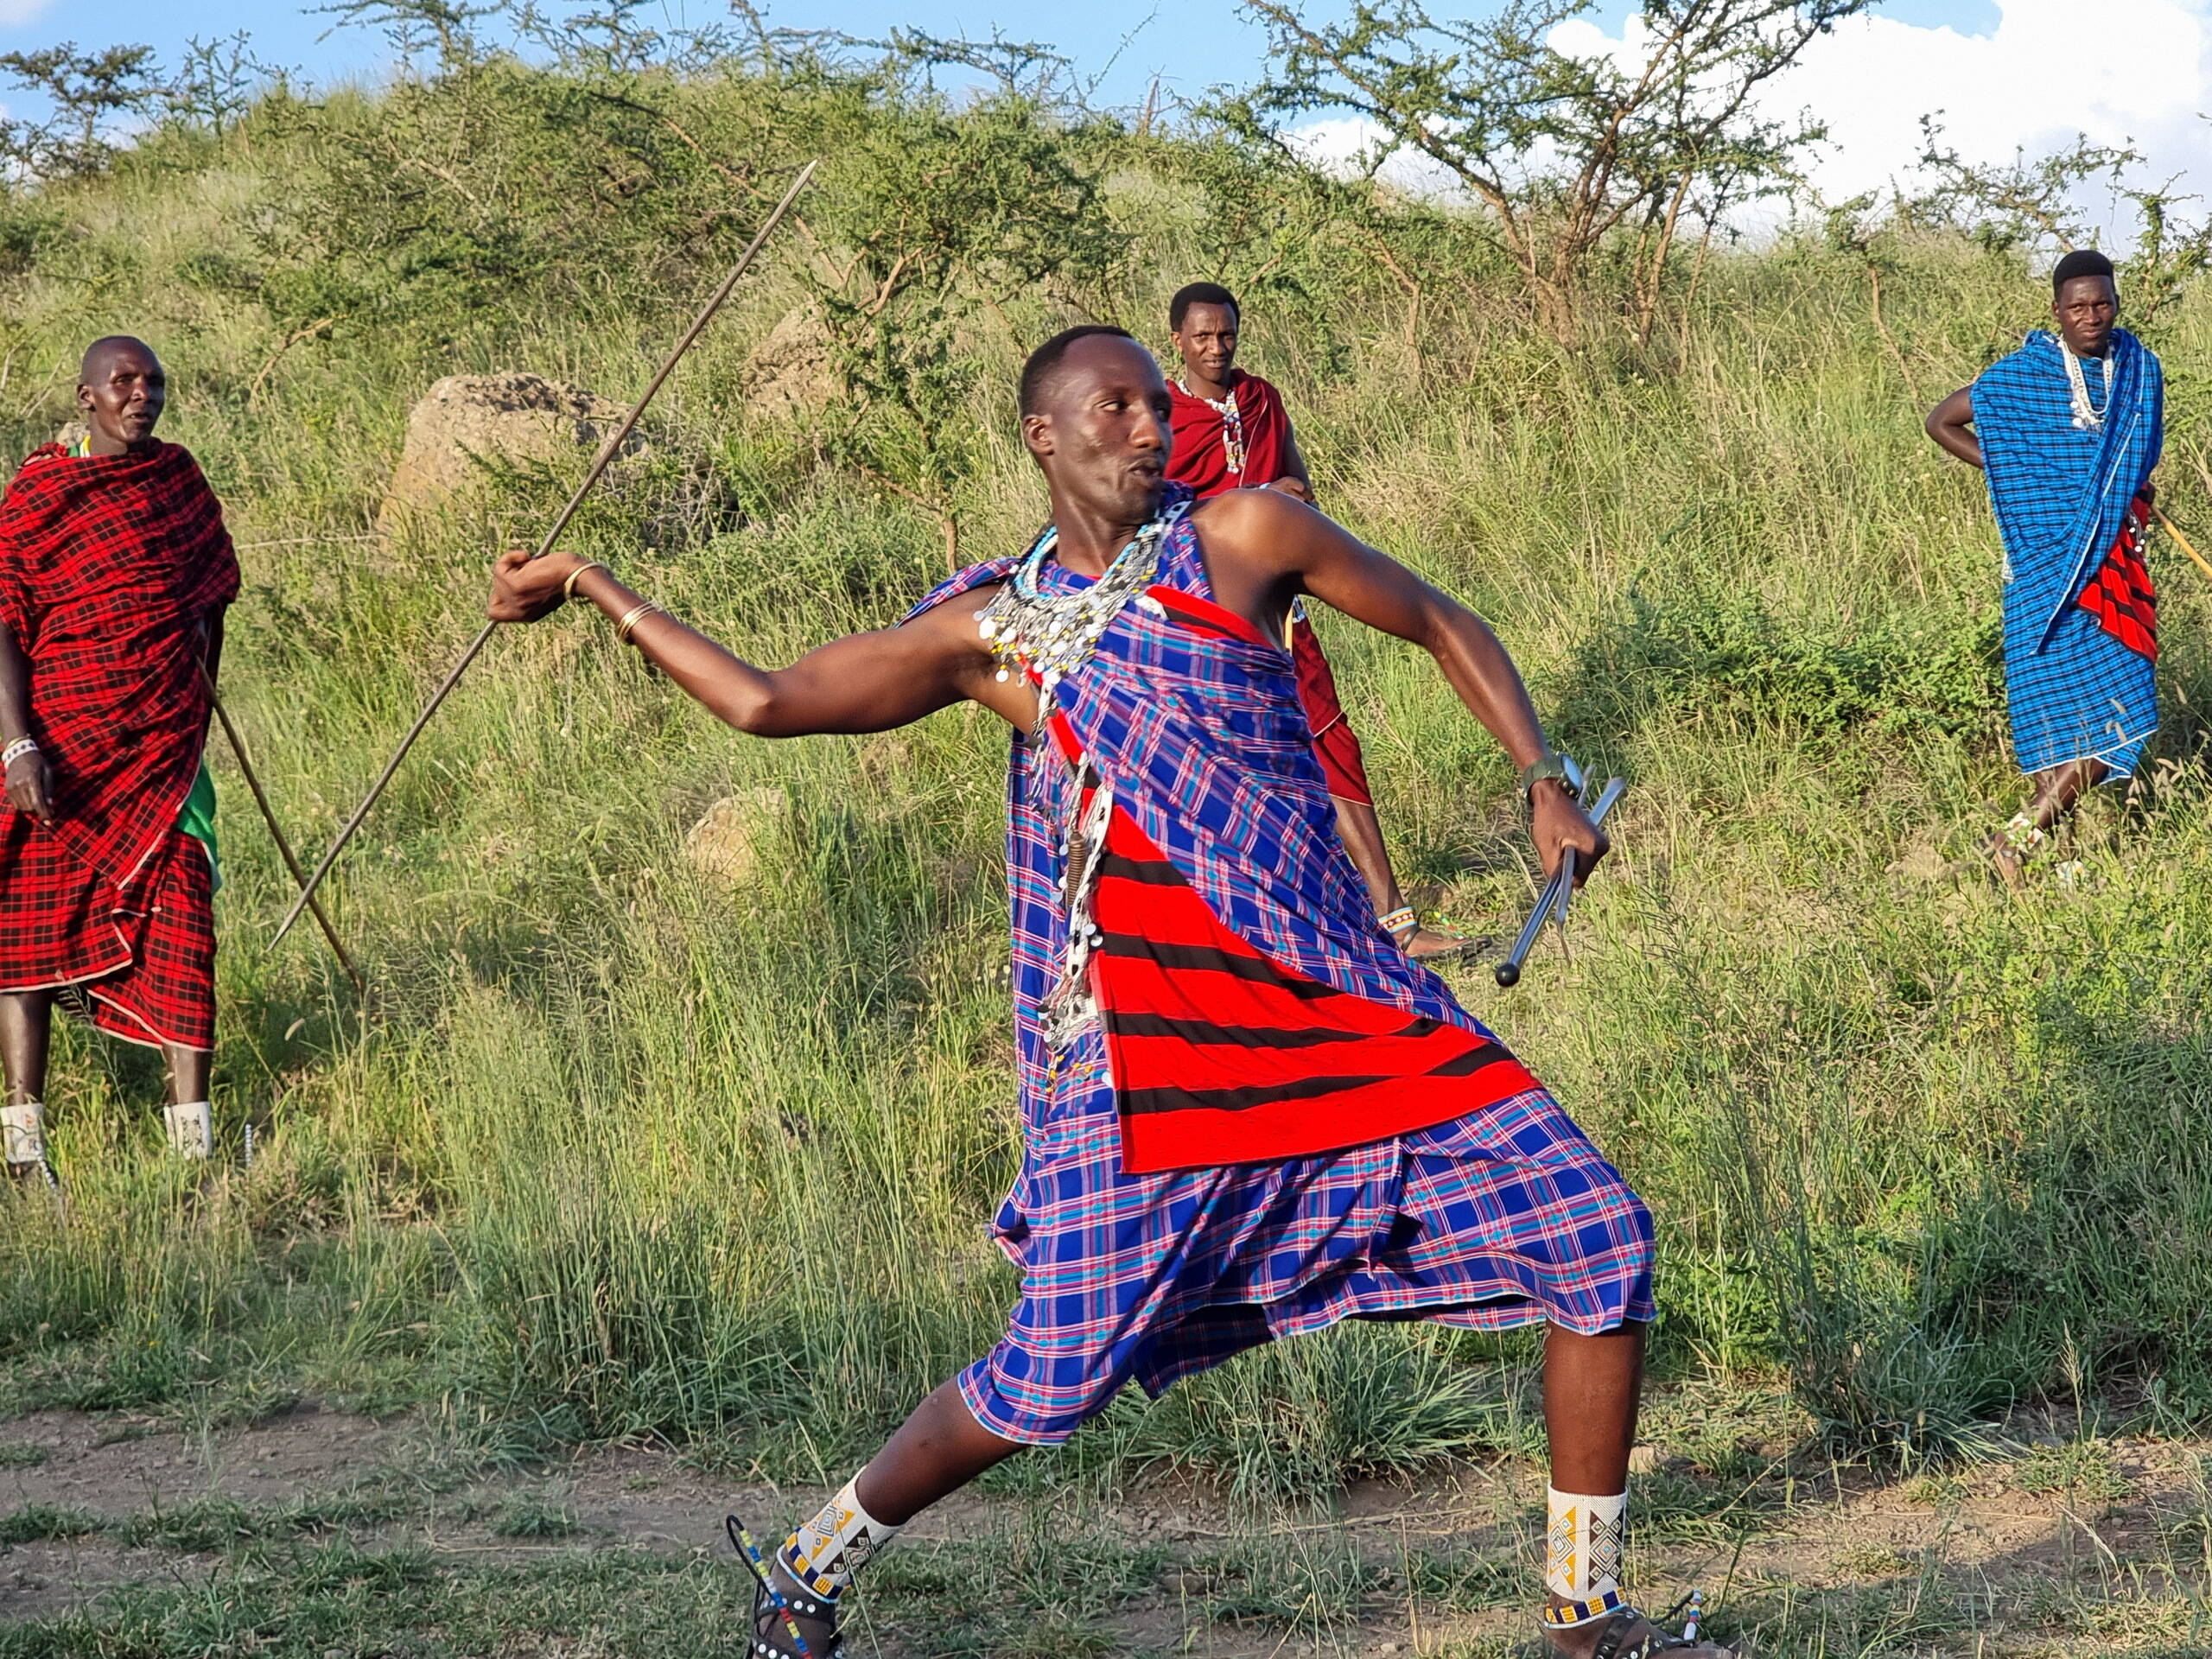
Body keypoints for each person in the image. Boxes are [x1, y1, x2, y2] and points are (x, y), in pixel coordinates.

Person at [488, 326, 1727, 1659]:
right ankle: (808, 1564)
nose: (1150, 429)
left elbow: (1438, 620)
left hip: (1344, 1008)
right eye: (1118, 407)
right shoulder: (988, 633)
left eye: (1155, 406)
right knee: (1045, 1383)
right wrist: (600, 587)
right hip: (1156, 1061)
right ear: (1044, 435)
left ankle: (1588, 1619)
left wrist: (1541, 771)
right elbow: (766, 701)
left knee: (1601, 1244)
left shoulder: (1247, 532)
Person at [1166, 282, 1464, 960]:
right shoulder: (1162, 417)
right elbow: (1167, 522)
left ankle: (1396, 923)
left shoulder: (1262, 399)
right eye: (1203, 336)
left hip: (1285, 611)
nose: (1217, 348)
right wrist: (1257, 499)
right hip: (1204, 624)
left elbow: (1302, 492)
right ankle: (1254, 938)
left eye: (1227, 334)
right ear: (1177, 340)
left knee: (1334, 746)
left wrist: (1285, 505)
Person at [0, 337, 239, 1179]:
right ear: (86, 395)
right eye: (124, 382)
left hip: (164, 751)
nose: (143, 396)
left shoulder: (179, 485)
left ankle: (194, 1151)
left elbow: (212, 600)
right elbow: (3, 622)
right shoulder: (38, 496)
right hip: (59, 752)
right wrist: (16, 743)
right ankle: (25, 1154)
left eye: (155, 383)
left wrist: (196, 703)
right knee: (24, 945)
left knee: (186, 928)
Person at [1926, 250, 2163, 884]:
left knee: (2126, 705)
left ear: (2116, 302)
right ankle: (2026, 844)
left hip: (2113, 567)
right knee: (2053, 708)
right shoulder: (2021, 377)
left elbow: (2134, 463)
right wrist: (2015, 473)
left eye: (2103, 303)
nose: (2092, 316)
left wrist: (2130, 500)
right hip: (2041, 565)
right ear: (2056, 311)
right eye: (2078, 306)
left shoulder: (2140, 369)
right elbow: (1941, 421)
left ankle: (2019, 840)